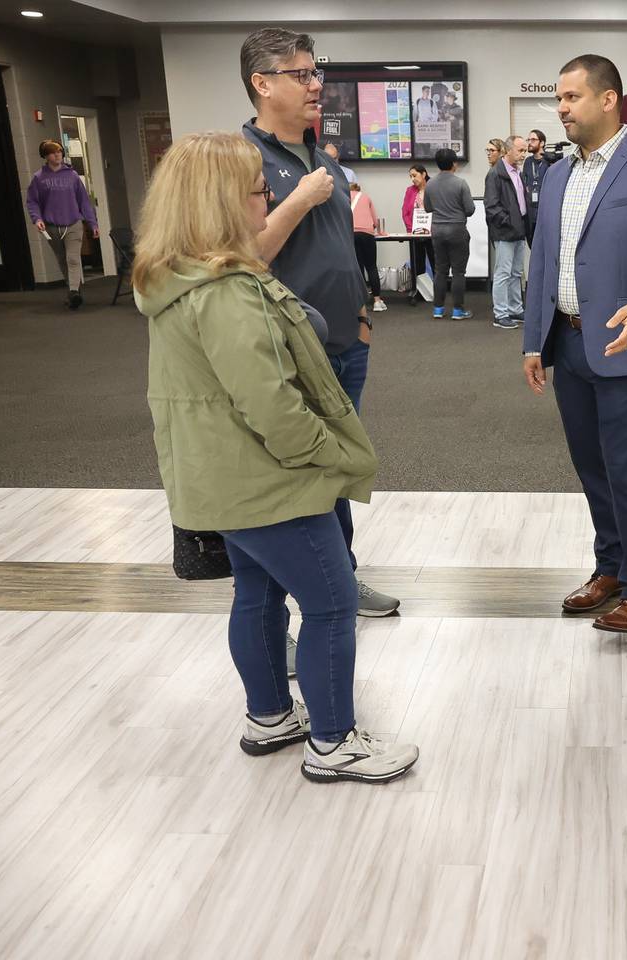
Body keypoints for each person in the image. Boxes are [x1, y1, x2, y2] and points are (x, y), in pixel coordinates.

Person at [134, 131, 418, 784]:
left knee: (258, 595)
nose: (271, 198)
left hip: (224, 479)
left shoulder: (181, 279)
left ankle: (269, 717)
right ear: (223, 201)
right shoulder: (225, 292)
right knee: (330, 603)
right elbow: (273, 408)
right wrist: (328, 457)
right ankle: (334, 742)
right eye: (262, 189)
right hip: (269, 482)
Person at [521, 55, 627, 636]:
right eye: (559, 99)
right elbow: (544, 260)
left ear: (609, 98)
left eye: (570, 97)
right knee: (592, 467)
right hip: (567, 343)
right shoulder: (559, 173)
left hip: (625, 343)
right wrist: (532, 341)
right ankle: (611, 569)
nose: (561, 109)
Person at [238, 26, 399, 617]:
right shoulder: (242, 158)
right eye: (300, 75)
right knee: (296, 481)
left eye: (315, 73)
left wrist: (360, 315)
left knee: (337, 473)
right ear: (262, 83)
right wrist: (300, 199)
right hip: (289, 350)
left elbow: (338, 245)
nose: (315, 86)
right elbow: (244, 255)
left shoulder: (319, 155)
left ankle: (341, 579)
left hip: (345, 342)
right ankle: (295, 598)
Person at [25, 138, 98, 310]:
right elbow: (32, 202)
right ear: (45, 156)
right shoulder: (39, 178)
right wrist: (38, 219)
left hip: (73, 223)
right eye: (52, 152)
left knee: (73, 258)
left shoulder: (72, 176)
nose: (57, 155)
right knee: (62, 259)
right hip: (51, 226)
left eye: (59, 151)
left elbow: (84, 202)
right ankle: (74, 290)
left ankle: (73, 292)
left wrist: (92, 223)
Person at [423, 147, 475, 320]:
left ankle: (438, 309)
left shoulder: (430, 184)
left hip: (437, 230)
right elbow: (470, 210)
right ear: (454, 164)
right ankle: (458, 311)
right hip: (457, 230)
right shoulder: (460, 183)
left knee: (440, 271)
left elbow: (427, 208)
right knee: (459, 272)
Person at [485, 134, 529, 330]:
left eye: (525, 150)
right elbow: (491, 206)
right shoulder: (495, 174)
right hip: (505, 231)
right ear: (508, 150)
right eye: (520, 150)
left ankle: (515, 308)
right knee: (503, 273)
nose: (523, 154)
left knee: (516, 272)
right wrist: (509, 221)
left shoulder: (517, 172)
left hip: (519, 230)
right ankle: (500, 314)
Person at [349, 182, 386, 313]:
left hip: (351, 234)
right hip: (367, 234)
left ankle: (361, 303)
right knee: (371, 267)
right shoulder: (366, 197)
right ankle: (377, 301)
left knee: (359, 268)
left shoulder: (344, 197)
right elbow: (375, 221)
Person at [401, 164, 436, 303]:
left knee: (436, 262)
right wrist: (411, 230)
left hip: (433, 232)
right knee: (417, 262)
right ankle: (418, 291)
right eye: (410, 176)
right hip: (415, 233)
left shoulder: (434, 188)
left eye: (414, 175)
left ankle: (438, 291)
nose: (412, 179)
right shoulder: (410, 191)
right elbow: (405, 212)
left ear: (424, 174)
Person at [522, 128, 557, 247]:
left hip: (545, 212)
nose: (529, 142)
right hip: (530, 213)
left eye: (533, 139)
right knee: (533, 247)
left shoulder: (550, 161)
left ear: (542, 143)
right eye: (528, 139)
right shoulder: (527, 162)